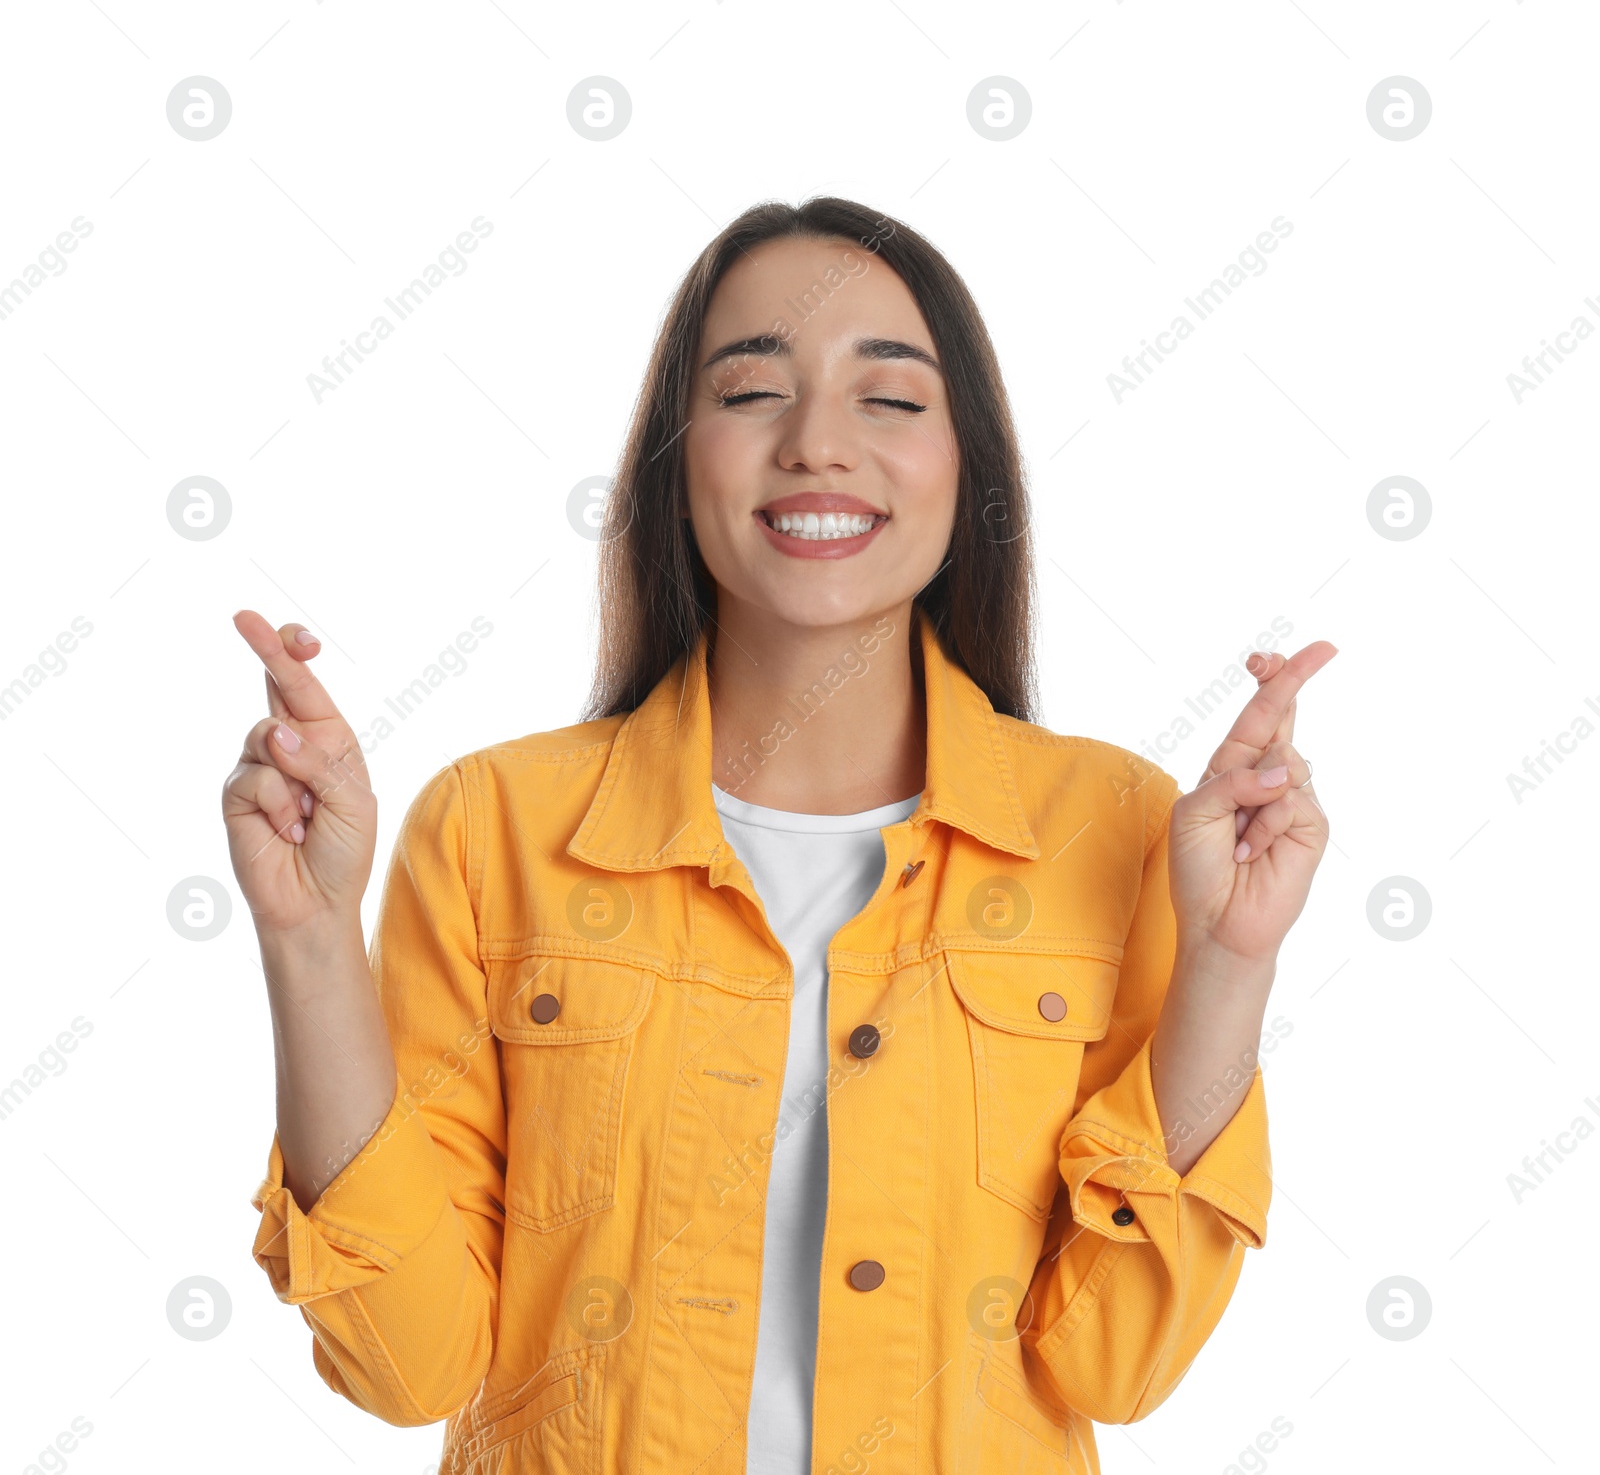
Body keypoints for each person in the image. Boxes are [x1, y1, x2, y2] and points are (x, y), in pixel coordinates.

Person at [227, 196, 1334, 1474]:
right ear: (675, 455)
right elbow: (405, 1363)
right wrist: (306, 938)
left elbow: (1115, 1365)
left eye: (892, 399)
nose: (817, 443)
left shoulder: (1121, 828)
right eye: (752, 390)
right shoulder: (494, 827)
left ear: (966, 460)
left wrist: (1234, 960)